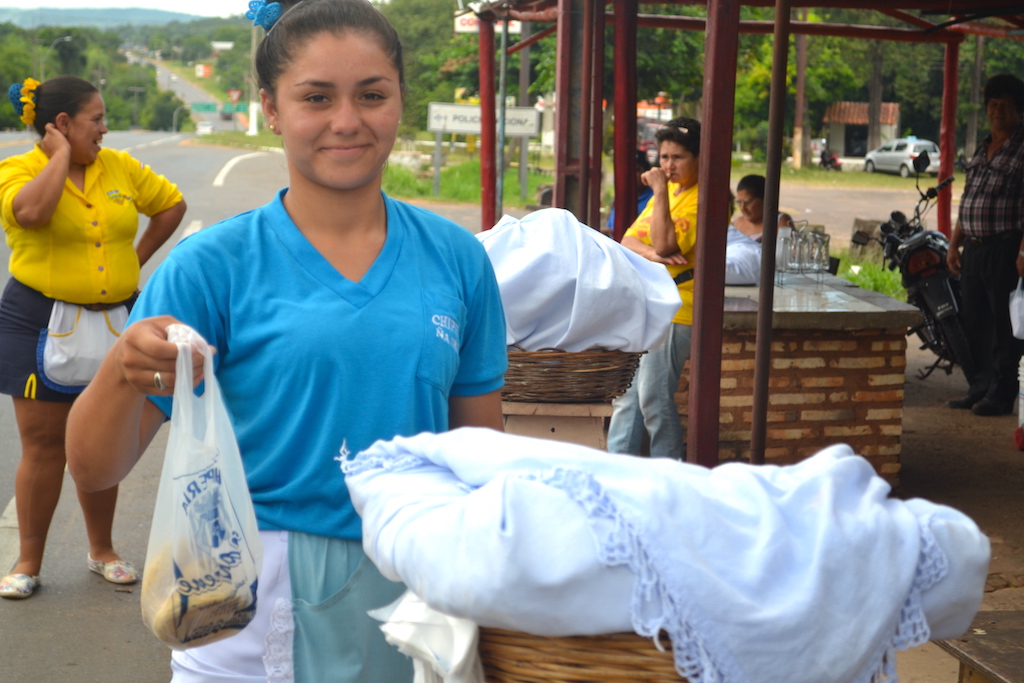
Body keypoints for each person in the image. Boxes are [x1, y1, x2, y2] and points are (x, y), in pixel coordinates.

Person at [65, 1, 507, 680]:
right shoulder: (210, 267)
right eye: (316, 97)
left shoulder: (457, 260)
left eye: (371, 94)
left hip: (411, 596)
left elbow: (479, 459)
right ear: (270, 107)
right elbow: (94, 468)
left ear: (399, 101)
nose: (347, 120)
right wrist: (124, 371)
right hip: (247, 594)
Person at [0, 75, 186, 599]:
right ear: (61, 125)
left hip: (112, 321)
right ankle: (27, 561)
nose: (105, 129)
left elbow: (171, 205)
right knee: (43, 446)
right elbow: (31, 213)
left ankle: (102, 550)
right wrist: (58, 157)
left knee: (100, 438)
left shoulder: (119, 168)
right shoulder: (17, 169)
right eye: (96, 120)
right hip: (39, 324)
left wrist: (135, 262)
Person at [606, 117, 700, 460]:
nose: (668, 166)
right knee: (628, 396)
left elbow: (663, 243)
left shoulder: (696, 199)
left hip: (678, 307)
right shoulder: (672, 193)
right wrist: (655, 255)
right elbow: (628, 239)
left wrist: (659, 191)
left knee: (655, 399)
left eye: (678, 158)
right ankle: (618, 468)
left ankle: (670, 473)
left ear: (698, 159)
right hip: (648, 303)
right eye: (663, 158)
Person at [946, 73, 1024, 417]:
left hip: (1006, 248)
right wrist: (953, 245)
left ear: (1019, 112)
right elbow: (968, 202)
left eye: (1005, 106)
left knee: (1004, 326)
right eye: (993, 105)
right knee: (974, 321)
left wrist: (1023, 251)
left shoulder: (1022, 150)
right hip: (974, 250)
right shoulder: (981, 148)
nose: (997, 112)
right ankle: (978, 387)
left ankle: (1002, 393)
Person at [726, 174, 794, 285]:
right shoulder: (736, 224)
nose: (742, 208)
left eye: (748, 202)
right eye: (739, 203)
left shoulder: (780, 222)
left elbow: (788, 255)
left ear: (765, 199)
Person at [607, 148, 653, 232]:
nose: (630, 174)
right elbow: (610, 228)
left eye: (636, 170)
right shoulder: (620, 197)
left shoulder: (655, 198)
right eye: (626, 170)